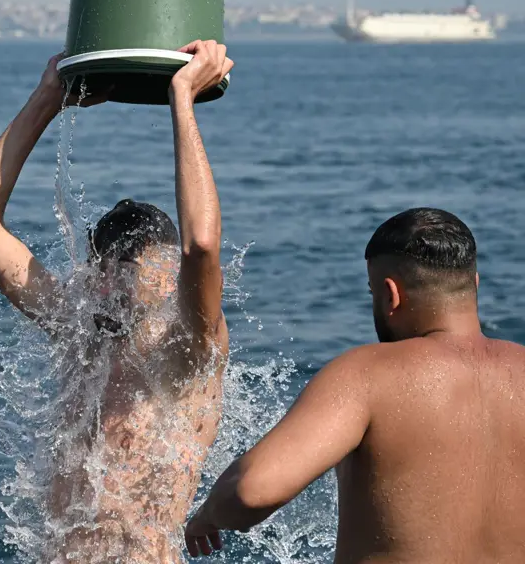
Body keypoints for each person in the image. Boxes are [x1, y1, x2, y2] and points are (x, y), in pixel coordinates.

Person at [0, 40, 234, 562]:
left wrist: (183, 99)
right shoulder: (78, 328)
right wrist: (45, 99)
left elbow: (202, 245)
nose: (113, 284)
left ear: (169, 275)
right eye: (105, 269)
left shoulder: (189, 349)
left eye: (134, 271)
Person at [185, 207, 525, 562]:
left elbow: (252, 490)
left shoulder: (369, 375)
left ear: (391, 295)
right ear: (474, 284)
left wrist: (206, 516)